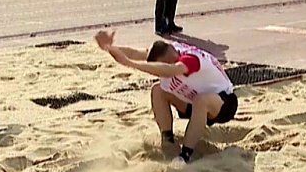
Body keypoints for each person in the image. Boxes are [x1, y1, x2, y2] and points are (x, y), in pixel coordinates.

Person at [94, 30, 238, 164]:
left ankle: (185, 155)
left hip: (223, 103)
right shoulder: (168, 49)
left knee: (201, 100)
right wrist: (109, 47)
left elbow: (170, 71)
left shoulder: (190, 59)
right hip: (192, 99)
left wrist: (130, 64)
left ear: (171, 59)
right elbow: (137, 53)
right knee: (158, 90)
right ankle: (167, 138)